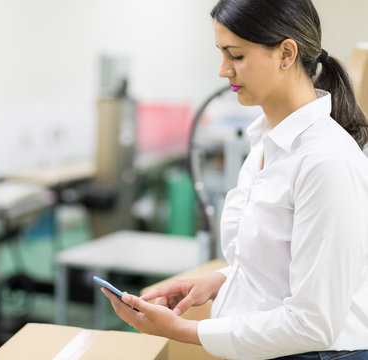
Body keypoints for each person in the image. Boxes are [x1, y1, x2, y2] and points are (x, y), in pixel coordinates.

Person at [101, 0, 368, 359]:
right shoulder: (265, 142)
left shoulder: (324, 161)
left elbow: (313, 323)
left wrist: (185, 330)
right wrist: (221, 281)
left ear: (286, 54)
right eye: (221, 54)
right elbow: (285, 262)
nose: (223, 71)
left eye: (236, 55)